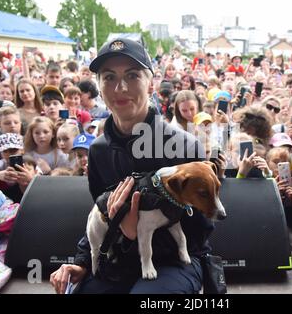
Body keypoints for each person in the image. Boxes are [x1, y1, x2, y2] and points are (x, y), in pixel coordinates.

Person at [50, 38, 210, 294]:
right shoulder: (99, 151)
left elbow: (200, 229)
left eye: (132, 75)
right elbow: (101, 212)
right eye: (109, 77)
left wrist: (134, 231)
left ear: (151, 84)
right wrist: (82, 261)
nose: (120, 87)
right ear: (100, 88)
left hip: (175, 261)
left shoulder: (185, 147)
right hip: (119, 258)